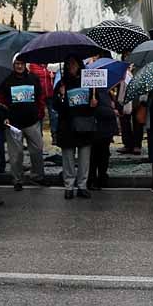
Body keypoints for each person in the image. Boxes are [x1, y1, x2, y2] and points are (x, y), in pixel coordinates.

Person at [53, 56, 96, 199]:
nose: (71, 66)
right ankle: (69, 186)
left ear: (79, 65)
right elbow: (56, 106)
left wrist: (94, 102)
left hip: (85, 125)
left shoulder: (88, 82)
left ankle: (82, 185)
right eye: (69, 64)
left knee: (84, 158)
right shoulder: (61, 83)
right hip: (67, 126)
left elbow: (95, 104)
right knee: (68, 159)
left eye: (74, 63)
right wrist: (61, 96)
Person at [1, 57, 44, 190]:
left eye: (21, 64)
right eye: (17, 64)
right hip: (13, 123)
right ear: (13, 65)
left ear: (25, 64)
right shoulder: (7, 80)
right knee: (16, 154)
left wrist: (40, 113)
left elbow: (39, 97)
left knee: (37, 149)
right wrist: (4, 116)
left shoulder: (33, 78)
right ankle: (17, 179)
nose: (19, 66)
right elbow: (1, 100)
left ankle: (37, 176)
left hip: (32, 121)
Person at [87, 73, 118, 190]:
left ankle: (102, 177)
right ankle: (93, 179)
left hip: (106, 129)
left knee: (103, 155)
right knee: (95, 155)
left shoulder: (106, 91)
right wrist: (112, 111)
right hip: (97, 128)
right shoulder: (94, 91)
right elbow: (99, 109)